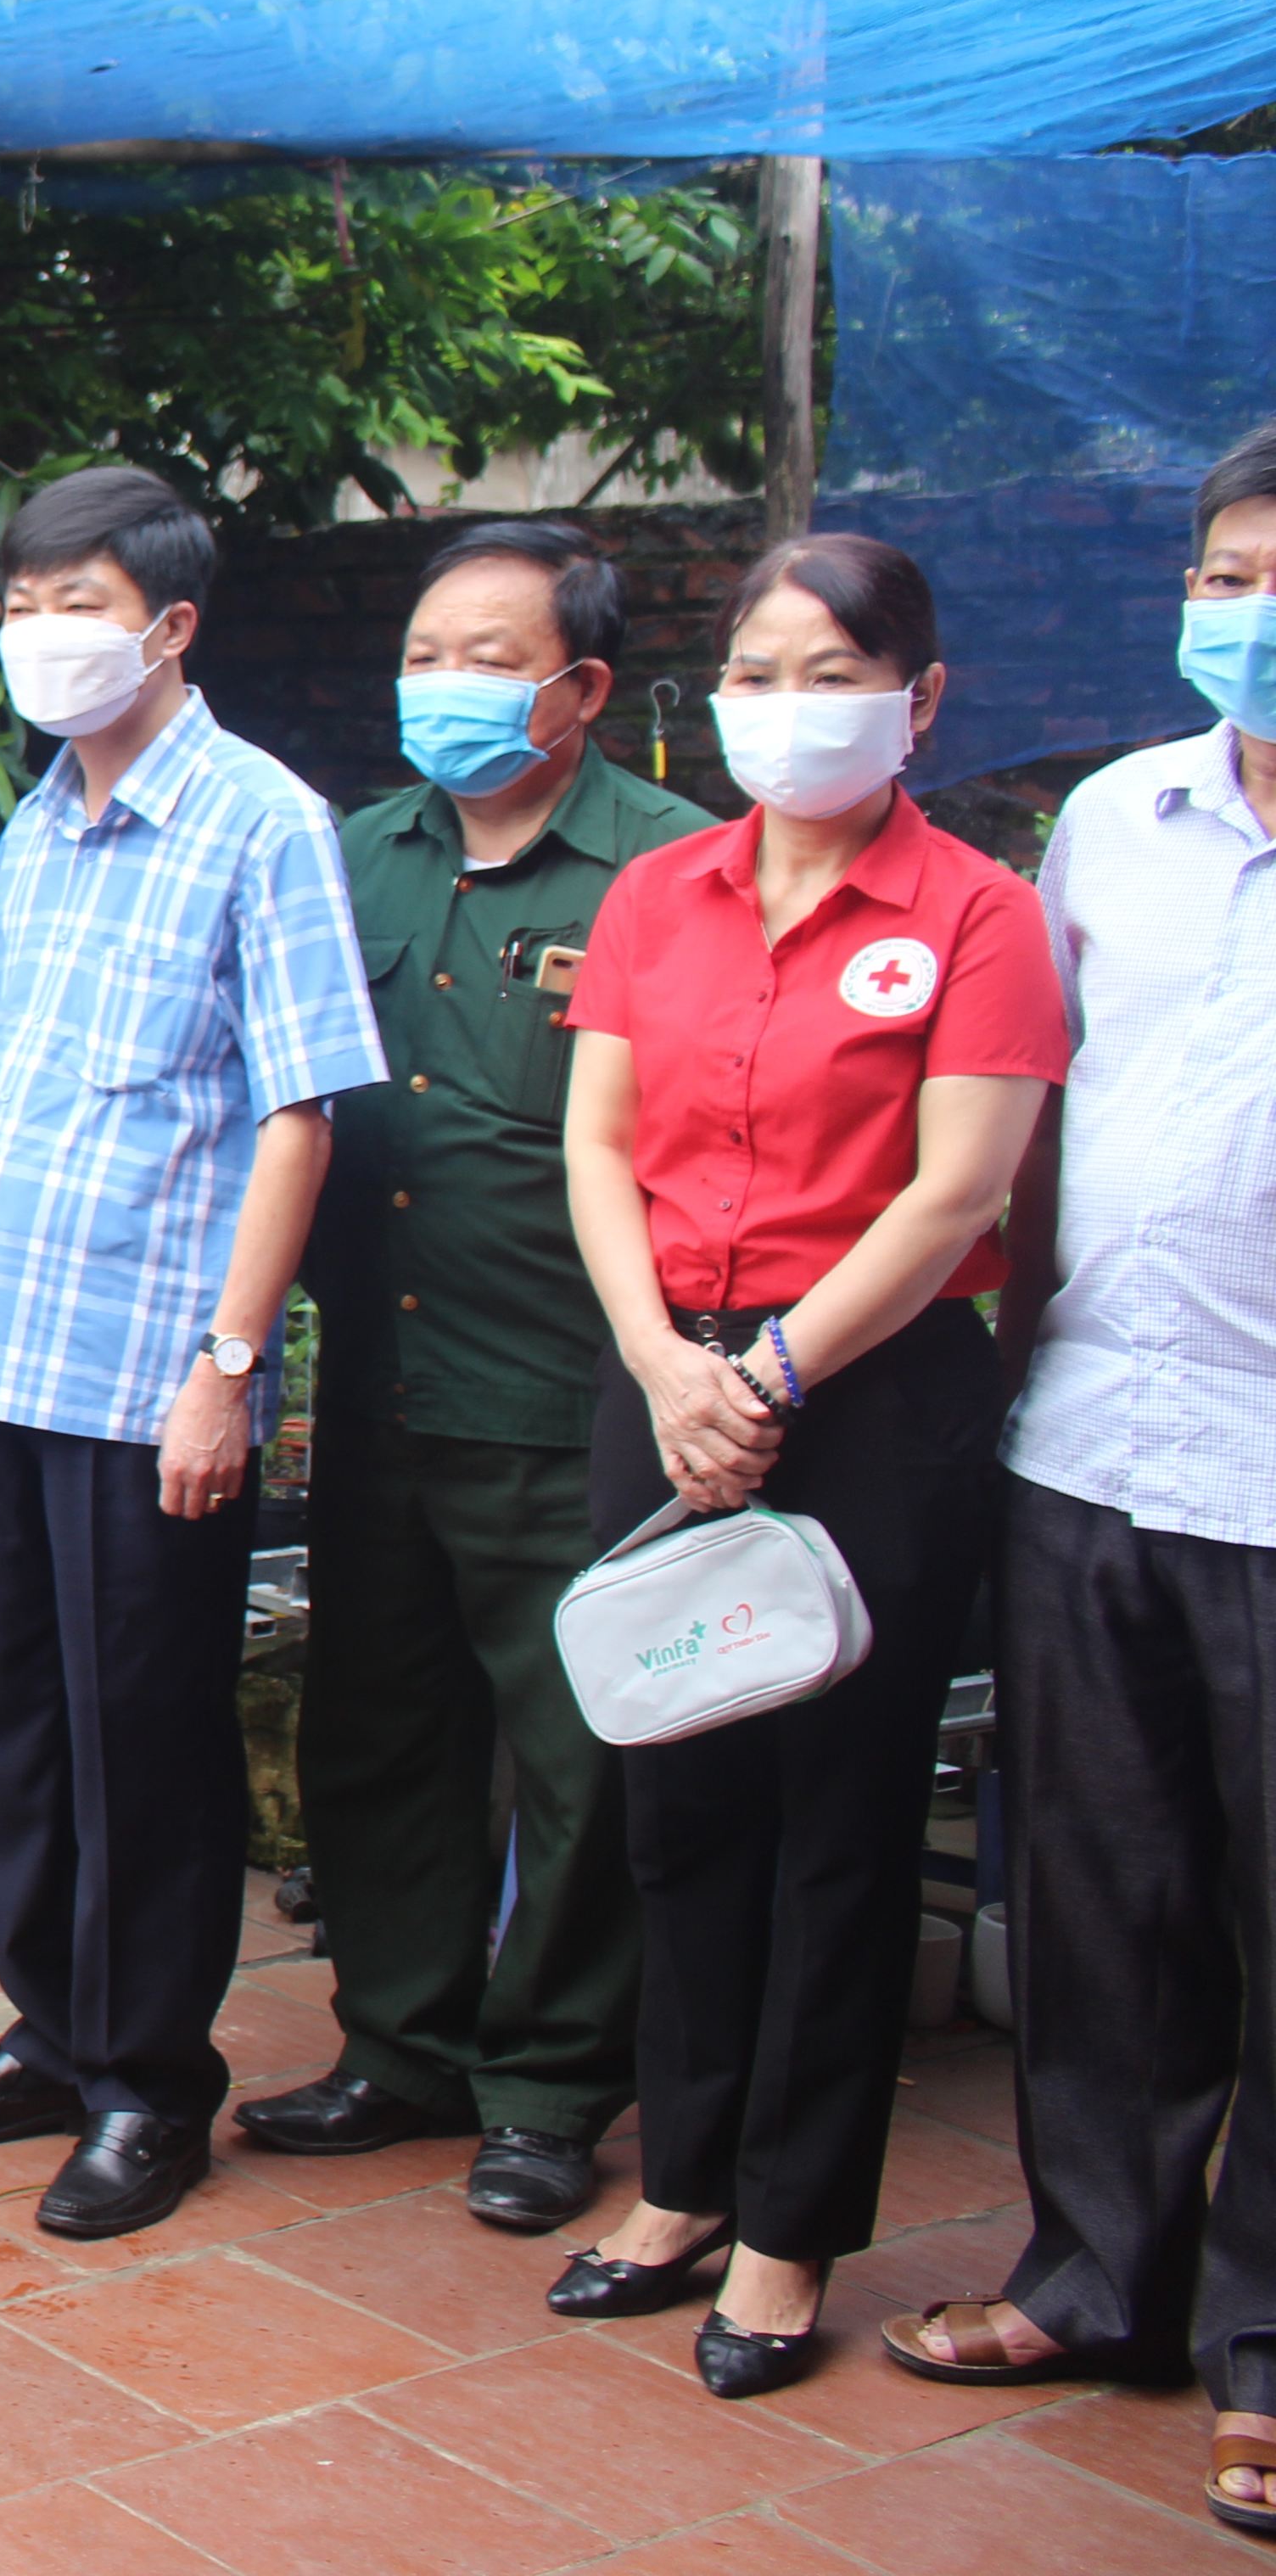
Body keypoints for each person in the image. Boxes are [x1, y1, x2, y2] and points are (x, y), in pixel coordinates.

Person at [550, 531, 1061, 2400]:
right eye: (755, 673)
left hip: (869, 1400)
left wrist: (765, 1371)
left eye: (828, 671)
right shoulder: (659, 896)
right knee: (677, 1797)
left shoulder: (984, 914)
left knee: (843, 1822)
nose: (785, 707)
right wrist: (665, 1370)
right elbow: (595, 1150)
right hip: (667, 1382)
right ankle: (678, 2175)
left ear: (918, 700)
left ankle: (786, 2229)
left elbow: (961, 1193)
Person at [0, 465, 385, 2240]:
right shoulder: (36, 821)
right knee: (9, 1723)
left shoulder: (264, 825)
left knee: (141, 1741)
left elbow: (302, 1116)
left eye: (71, 604)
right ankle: (54, 2029)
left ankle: (155, 2084)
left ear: (168, 626)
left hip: (153, 1375)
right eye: (17, 605)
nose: (35, 635)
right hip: (7, 1359)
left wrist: (232, 1366)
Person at [877, 424, 1276, 2531]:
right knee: (1103, 1898)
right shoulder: (1121, 819)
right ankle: (1093, 2272)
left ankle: (1266, 2340)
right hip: (1100, 1439)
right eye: (1225, 568)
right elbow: (1023, 1124)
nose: (1245, 606)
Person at [241, 523, 701, 2232]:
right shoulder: (349, 855)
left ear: (580, 688)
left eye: (487, 657)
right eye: (426, 651)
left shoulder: (675, 872)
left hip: (578, 1394)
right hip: (376, 1380)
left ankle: (552, 2085)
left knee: (581, 1755)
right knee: (378, 1729)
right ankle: (401, 2043)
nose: (443, 682)